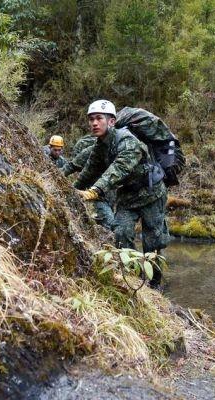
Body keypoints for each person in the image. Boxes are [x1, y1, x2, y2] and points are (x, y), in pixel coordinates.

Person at [75, 100, 169, 287]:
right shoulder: (100, 145)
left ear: (111, 121)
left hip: (151, 194)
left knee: (152, 243)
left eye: (99, 118)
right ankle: (135, 277)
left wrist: (95, 190)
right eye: (91, 119)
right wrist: (70, 189)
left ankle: (155, 283)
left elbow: (119, 168)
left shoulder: (127, 141)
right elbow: (89, 170)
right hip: (127, 196)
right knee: (121, 234)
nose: (94, 123)